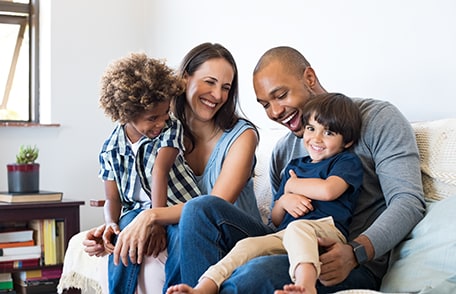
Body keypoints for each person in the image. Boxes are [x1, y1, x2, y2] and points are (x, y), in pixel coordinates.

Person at [166, 46, 426, 293]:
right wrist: (284, 200)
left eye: (280, 95)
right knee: (199, 208)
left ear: (309, 78)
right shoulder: (283, 151)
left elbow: (408, 201)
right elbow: (277, 223)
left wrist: (356, 252)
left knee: (255, 274)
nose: (276, 112)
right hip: (287, 242)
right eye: (265, 104)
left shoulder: (377, 118)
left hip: (344, 259)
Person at [81, 42, 261, 293]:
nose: (218, 95)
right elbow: (134, 189)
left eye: (226, 88)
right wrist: (115, 227)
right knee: (129, 234)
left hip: (235, 232)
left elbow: (211, 208)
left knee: (193, 218)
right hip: (186, 225)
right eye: (210, 82)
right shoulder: (161, 130)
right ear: (185, 79)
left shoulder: (242, 136)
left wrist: (152, 216)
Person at [166, 93, 363, 294]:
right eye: (311, 129)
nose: (317, 139)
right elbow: (276, 218)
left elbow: (329, 190)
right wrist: (285, 199)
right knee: (247, 245)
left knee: (298, 229)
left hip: (325, 231)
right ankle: (203, 287)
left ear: (346, 142)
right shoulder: (295, 166)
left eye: (329, 133)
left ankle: (305, 287)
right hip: (284, 235)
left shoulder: (345, 161)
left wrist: (292, 186)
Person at [97, 52, 201, 294]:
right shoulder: (110, 148)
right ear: (126, 114)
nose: (161, 122)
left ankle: (176, 290)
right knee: (123, 236)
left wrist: (156, 221)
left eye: (165, 114)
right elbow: (113, 198)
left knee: (180, 237)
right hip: (136, 211)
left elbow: (159, 172)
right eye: (153, 118)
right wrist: (111, 223)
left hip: (177, 206)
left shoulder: (170, 128)